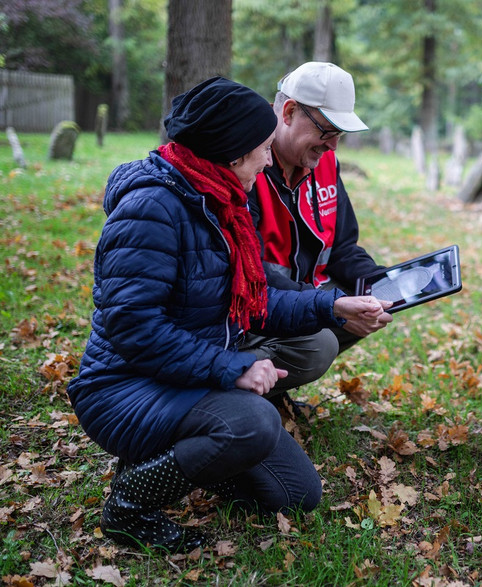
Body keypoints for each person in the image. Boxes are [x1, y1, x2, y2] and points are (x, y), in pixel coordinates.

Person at [66, 76, 392, 552]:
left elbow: (254, 299)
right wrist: (234, 368)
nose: (266, 161)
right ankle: (129, 505)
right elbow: (134, 327)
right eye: (261, 150)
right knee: (254, 423)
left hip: (185, 375)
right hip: (123, 386)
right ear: (234, 153)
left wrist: (330, 304)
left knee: (296, 495)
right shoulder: (151, 208)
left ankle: (175, 458)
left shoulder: (221, 201)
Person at [244, 61, 391, 399]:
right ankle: (243, 383)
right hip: (255, 304)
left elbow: (342, 245)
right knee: (321, 344)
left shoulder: (324, 162)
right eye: (327, 132)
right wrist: (330, 306)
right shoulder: (246, 163)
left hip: (299, 296)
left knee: (369, 302)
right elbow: (251, 274)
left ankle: (269, 382)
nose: (333, 147)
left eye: (340, 135)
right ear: (289, 112)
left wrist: (381, 284)